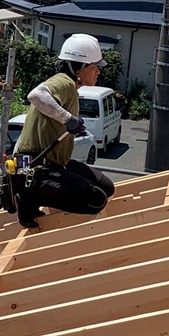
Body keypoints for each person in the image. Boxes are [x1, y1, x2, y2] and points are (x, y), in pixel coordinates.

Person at [12, 33, 116, 228]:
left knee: (106, 188)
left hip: (53, 164)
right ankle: (27, 199)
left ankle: (36, 194)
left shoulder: (71, 86)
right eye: (95, 67)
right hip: (32, 168)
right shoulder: (64, 82)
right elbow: (36, 95)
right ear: (80, 67)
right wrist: (68, 119)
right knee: (94, 200)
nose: (98, 72)